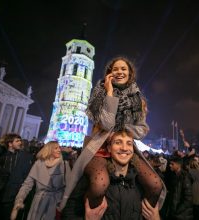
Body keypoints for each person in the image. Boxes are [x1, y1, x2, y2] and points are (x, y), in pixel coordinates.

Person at [59, 56, 166, 211]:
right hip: (99, 148)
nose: (119, 72)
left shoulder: (137, 99)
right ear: (109, 73)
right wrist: (109, 93)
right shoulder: (100, 93)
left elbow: (142, 130)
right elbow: (107, 123)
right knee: (99, 184)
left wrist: (123, 130)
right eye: (115, 69)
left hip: (125, 147)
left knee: (155, 184)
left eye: (124, 69)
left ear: (130, 74)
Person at [62, 130, 161, 220]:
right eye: (118, 142)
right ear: (109, 148)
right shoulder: (93, 180)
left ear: (133, 149)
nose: (124, 148)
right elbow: (69, 213)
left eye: (129, 143)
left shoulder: (141, 182)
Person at [10, 141, 70, 220]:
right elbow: (27, 184)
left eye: (59, 148)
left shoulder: (64, 165)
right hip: (38, 203)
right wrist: (19, 199)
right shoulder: (38, 164)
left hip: (56, 204)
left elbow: (69, 187)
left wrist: (63, 203)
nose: (59, 150)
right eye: (56, 148)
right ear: (49, 150)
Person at [0, 133, 33, 220]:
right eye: (17, 141)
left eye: (20, 140)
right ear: (10, 143)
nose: (20, 142)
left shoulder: (25, 156)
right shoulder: (1, 155)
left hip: (15, 193)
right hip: (0, 193)